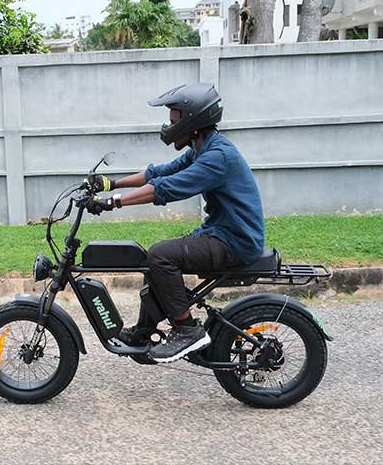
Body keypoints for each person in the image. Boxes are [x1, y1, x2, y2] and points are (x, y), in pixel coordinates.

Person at [83, 83, 265, 363]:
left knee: (160, 256)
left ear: (192, 122)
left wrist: (113, 202)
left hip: (235, 242)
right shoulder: (202, 148)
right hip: (221, 232)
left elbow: (165, 187)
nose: (168, 127)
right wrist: (109, 183)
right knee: (151, 261)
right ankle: (144, 331)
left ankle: (187, 329)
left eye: (173, 120)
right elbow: (158, 173)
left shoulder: (217, 158)